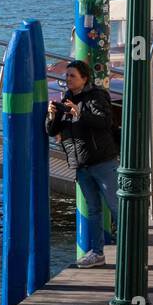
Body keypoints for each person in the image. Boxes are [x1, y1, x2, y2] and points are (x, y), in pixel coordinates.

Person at [45, 59, 118, 268]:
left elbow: (104, 122)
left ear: (84, 78)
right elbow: (51, 131)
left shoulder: (96, 96)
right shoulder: (66, 98)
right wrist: (52, 115)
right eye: (67, 76)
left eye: (72, 76)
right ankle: (97, 253)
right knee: (93, 209)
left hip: (102, 162)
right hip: (81, 165)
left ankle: (130, 249)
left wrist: (80, 113)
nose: (67, 79)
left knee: (116, 207)